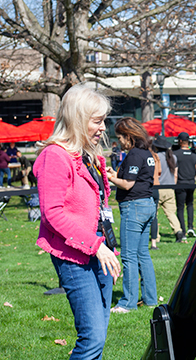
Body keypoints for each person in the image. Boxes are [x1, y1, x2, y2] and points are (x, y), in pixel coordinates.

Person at [33, 84, 121, 359]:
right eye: (98, 121)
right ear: (77, 119)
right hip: (75, 256)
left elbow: (98, 207)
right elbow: (52, 214)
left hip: (100, 251)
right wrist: (97, 246)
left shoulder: (88, 156)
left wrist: (107, 247)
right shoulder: (54, 156)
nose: (104, 128)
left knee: (100, 334)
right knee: (92, 338)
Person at [106, 117, 158, 313]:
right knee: (142, 254)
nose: (119, 141)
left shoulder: (134, 154)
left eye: (120, 137)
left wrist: (111, 178)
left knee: (128, 256)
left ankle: (127, 303)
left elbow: (128, 184)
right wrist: (116, 175)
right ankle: (150, 299)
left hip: (134, 207)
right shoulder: (147, 154)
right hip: (147, 204)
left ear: (128, 136)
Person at [151, 135, 186, 243]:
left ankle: (155, 237)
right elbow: (175, 174)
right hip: (170, 188)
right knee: (171, 213)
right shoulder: (173, 157)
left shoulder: (155, 157)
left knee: (154, 214)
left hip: (158, 188)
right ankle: (178, 231)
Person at [173, 132, 196, 238]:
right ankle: (190, 227)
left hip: (180, 183)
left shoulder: (175, 154)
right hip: (191, 183)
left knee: (180, 207)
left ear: (180, 141)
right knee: (190, 204)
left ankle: (182, 231)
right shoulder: (195, 155)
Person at [149, 146, 161, 250]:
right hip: (156, 187)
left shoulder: (142, 156)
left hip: (147, 188)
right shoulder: (156, 157)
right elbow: (159, 172)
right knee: (154, 217)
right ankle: (154, 243)